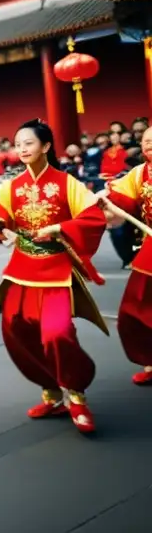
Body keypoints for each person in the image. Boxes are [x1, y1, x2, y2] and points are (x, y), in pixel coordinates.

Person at [0, 119, 107, 434]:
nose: (22, 149)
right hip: (21, 269)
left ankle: (75, 393)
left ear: (46, 146)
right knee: (16, 330)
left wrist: (60, 228)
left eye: (29, 143)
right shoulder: (11, 185)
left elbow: (92, 217)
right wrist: (0, 226)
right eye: (17, 143)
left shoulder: (67, 184)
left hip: (55, 271)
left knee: (57, 333)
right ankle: (51, 390)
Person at [101, 126, 152, 385]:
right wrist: (107, 203)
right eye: (146, 141)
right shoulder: (139, 174)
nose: (149, 145)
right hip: (150, 249)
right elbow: (121, 203)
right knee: (135, 311)